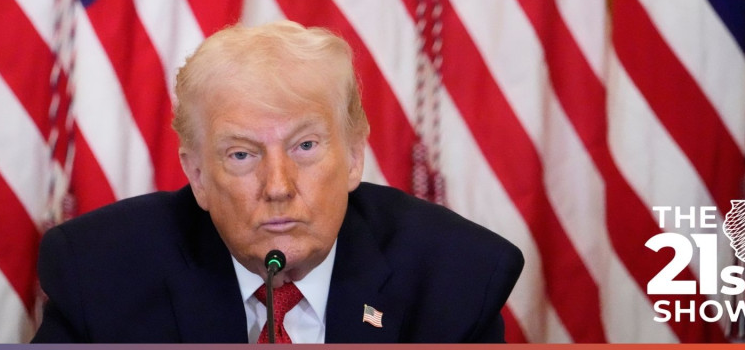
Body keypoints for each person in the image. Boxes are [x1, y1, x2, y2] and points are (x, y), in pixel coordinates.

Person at [32, 21, 524, 343]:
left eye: (305, 147)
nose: (278, 185)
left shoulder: (455, 277)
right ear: (198, 175)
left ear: (354, 157)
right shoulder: (98, 274)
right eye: (243, 154)